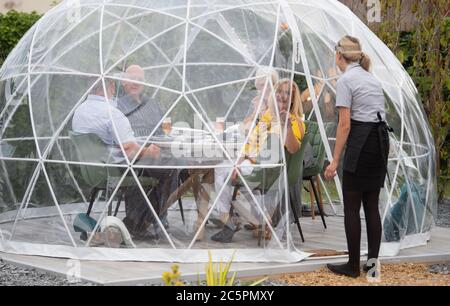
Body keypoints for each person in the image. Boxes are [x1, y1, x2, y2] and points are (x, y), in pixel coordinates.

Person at [324, 36, 390, 278]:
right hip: (380, 142)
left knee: (352, 207)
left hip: (362, 141)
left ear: (339, 56)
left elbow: (344, 125)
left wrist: (334, 160)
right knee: (371, 206)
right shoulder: (370, 78)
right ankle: (372, 268)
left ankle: (352, 266)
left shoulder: (346, 80)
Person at [211, 79, 306, 243]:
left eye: (287, 93)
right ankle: (232, 219)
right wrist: (238, 163)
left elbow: (293, 148)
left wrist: (287, 124)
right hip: (253, 164)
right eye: (279, 91)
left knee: (237, 181)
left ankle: (239, 222)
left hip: (270, 169)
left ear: (293, 99)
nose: (282, 96)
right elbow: (249, 143)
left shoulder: (294, 120)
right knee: (222, 170)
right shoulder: (267, 115)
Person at [72, 79, 164, 239]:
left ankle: (136, 221)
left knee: (152, 170)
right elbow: (128, 148)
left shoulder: (80, 110)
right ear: (111, 87)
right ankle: (138, 223)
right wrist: (149, 152)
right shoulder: (111, 112)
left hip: (95, 171)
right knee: (168, 172)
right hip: (114, 171)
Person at [117, 65, 178, 236]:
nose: (135, 84)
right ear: (123, 82)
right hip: (135, 157)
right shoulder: (118, 106)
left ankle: (156, 214)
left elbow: (163, 130)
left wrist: (163, 142)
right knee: (172, 167)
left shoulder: (151, 103)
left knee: (183, 166)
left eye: (139, 81)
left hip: (157, 154)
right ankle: (156, 216)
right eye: (131, 80)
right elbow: (123, 138)